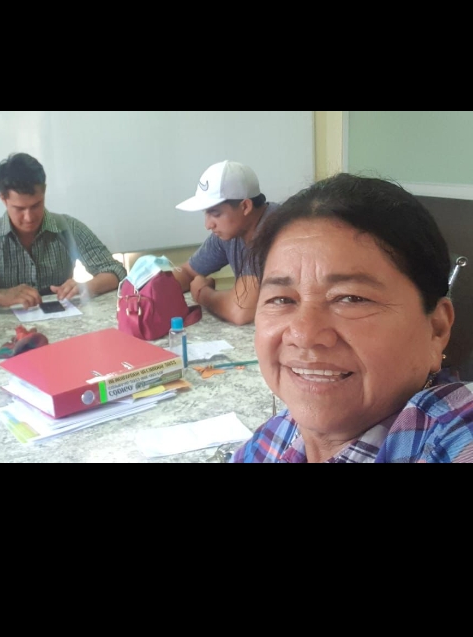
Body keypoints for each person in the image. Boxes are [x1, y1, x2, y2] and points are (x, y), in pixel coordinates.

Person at [231, 174, 473, 464]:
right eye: (282, 299)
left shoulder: (456, 438)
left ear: (436, 329)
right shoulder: (274, 437)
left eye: (351, 298)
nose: (304, 335)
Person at [0, 153, 126, 308]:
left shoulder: (68, 227)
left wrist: (86, 286)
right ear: (3, 198)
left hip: (63, 324)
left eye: (36, 205)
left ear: (44, 192)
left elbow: (115, 271)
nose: (29, 217)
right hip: (6, 330)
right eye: (19, 209)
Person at [173, 161, 279, 325]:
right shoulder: (232, 231)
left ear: (245, 206)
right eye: (206, 213)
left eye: (215, 214)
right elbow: (188, 272)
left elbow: (240, 310)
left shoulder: (274, 230)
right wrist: (154, 288)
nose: (208, 225)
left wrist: (202, 293)